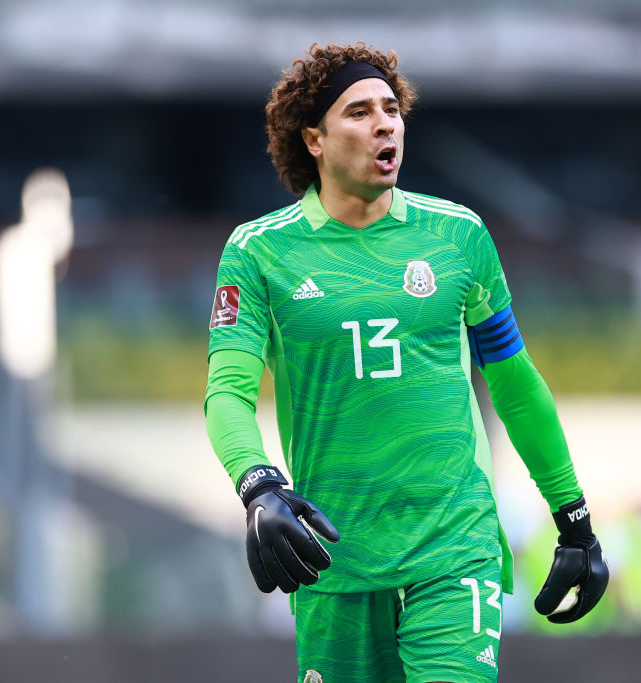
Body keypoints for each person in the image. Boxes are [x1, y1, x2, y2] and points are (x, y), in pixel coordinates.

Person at [204, 42, 607, 683]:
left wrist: (574, 519)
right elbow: (227, 390)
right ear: (314, 138)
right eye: (359, 112)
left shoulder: (459, 236)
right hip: (332, 553)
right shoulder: (259, 253)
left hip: (453, 543)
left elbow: (514, 380)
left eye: (391, 108)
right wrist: (258, 486)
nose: (385, 123)